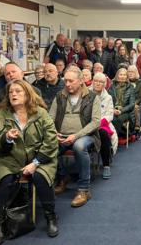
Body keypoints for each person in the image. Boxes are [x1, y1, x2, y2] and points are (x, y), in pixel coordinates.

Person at [0, 79, 59, 243]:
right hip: (7, 158)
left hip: (39, 158)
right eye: (11, 92)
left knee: (41, 178)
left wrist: (35, 163)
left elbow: (51, 140)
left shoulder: (40, 113)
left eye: (18, 91)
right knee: (4, 180)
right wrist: (6, 138)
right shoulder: (2, 114)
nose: (13, 94)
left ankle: (51, 216)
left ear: (27, 94)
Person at [50, 66, 101, 207]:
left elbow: (96, 122)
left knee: (79, 146)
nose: (67, 84)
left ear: (80, 81)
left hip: (86, 136)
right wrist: (54, 132)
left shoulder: (92, 97)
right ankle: (63, 178)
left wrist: (76, 135)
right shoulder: (60, 96)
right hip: (62, 136)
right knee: (48, 146)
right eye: (65, 81)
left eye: (71, 81)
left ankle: (84, 190)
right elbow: (49, 118)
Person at [90, 73, 118, 179]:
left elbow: (109, 116)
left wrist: (97, 123)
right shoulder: (86, 93)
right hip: (86, 123)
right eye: (96, 81)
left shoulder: (108, 97)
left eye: (101, 82)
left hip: (101, 124)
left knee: (104, 135)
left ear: (104, 84)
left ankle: (106, 165)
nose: (97, 83)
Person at [109, 68, 135, 138]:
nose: (123, 76)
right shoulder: (112, 86)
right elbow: (108, 100)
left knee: (118, 119)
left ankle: (114, 138)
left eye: (124, 75)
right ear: (117, 76)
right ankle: (111, 137)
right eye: (121, 75)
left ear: (127, 77)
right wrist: (113, 110)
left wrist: (121, 111)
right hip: (113, 110)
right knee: (112, 118)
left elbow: (132, 104)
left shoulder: (130, 87)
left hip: (125, 111)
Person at [127, 65, 141, 131]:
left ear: (136, 73)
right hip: (126, 102)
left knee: (136, 107)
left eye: (132, 72)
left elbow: (140, 97)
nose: (130, 73)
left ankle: (137, 126)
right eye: (129, 72)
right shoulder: (125, 82)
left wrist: (133, 103)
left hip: (135, 102)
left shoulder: (140, 83)